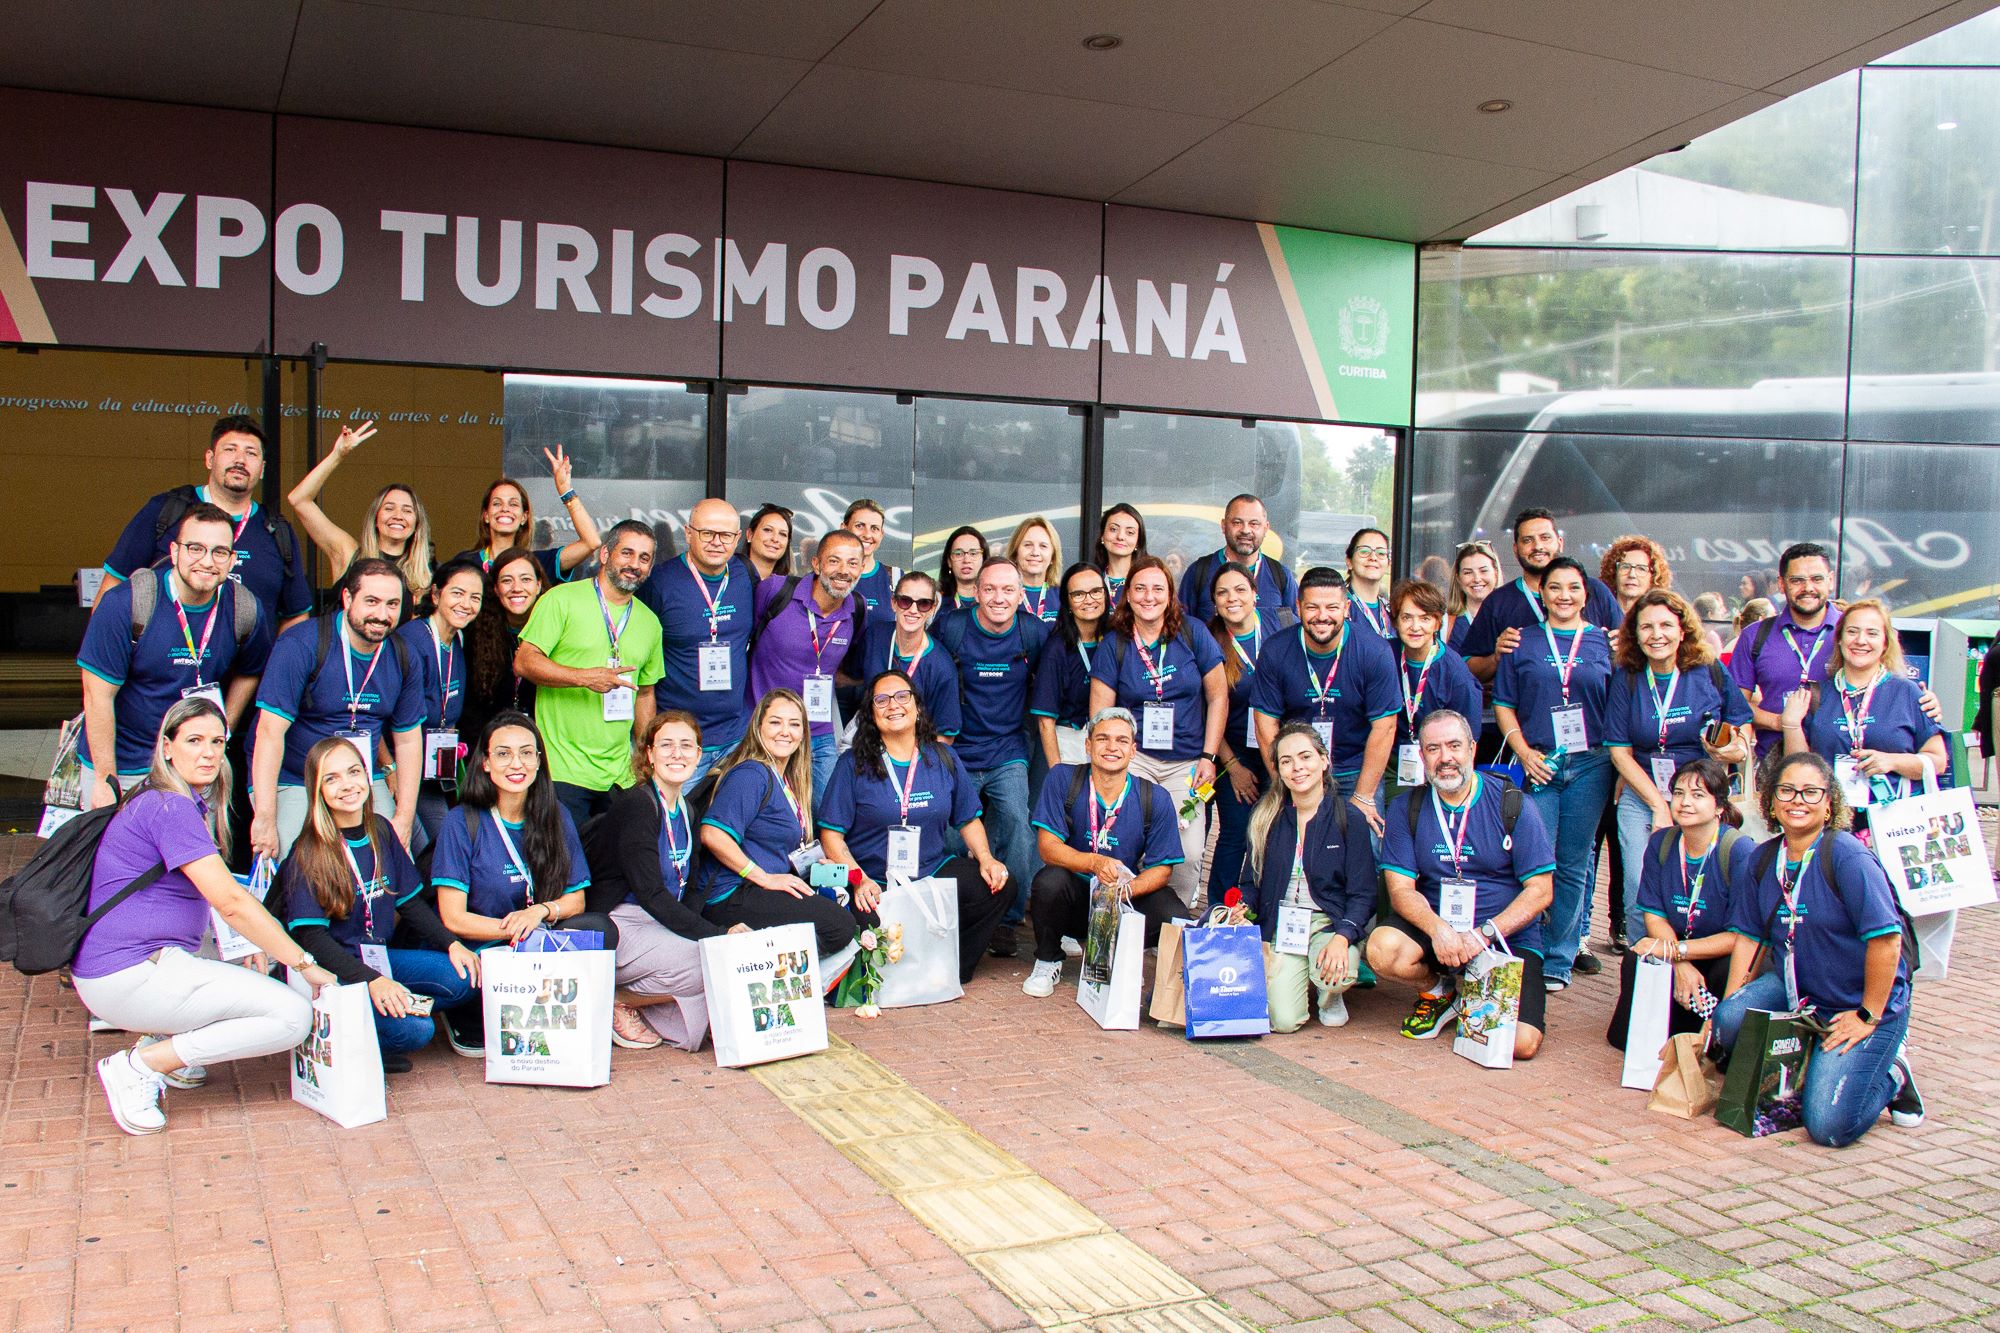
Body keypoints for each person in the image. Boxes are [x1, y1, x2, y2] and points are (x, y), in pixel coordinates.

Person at [71, 697, 330, 1136]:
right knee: (292, 1015)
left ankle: (162, 1047)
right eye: (194, 741)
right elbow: (229, 901)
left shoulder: (170, 800)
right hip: (129, 973)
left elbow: (209, 898)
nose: (209, 752)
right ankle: (139, 1065)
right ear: (167, 747)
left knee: (251, 981)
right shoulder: (169, 807)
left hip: (137, 967)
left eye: (217, 741)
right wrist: (302, 963)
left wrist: (249, 944)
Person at [1715, 751, 1922, 1146]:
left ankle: (1893, 1072)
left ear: (1830, 803)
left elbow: (1887, 940)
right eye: (1787, 791)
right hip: (1799, 988)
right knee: (1730, 1021)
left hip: (1859, 1001)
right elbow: (1750, 938)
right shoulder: (1762, 860)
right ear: (1771, 802)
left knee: (1828, 1126)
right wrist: (1725, 1008)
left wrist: (1867, 1014)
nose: (1798, 800)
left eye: (1811, 792)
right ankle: (1815, 1058)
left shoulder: (1847, 857)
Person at [274, 737, 480, 1071]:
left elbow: (411, 904)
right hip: (335, 973)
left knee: (463, 976)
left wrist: (452, 943)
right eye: (332, 778)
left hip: (378, 958)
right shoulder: (308, 850)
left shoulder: (380, 830)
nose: (347, 785)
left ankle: (371, 1026)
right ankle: (351, 1041)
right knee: (417, 1030)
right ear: (317, 790)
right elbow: (311, 938)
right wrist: (372, 982)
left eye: (353, 772)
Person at [1369, 709, 1555, 1054]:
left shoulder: (1513, 804)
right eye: (1434, 748)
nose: (1445, 758)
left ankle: (1476, 995)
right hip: (1440, 933)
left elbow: (1541, 891)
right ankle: (1442, 992)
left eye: (1454, 746)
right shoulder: (1406, 807)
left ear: (1472, 748)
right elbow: (1400, 890)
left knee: (1521, 1044)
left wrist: (1484, 934)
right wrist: (1438, 929)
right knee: (1382, 948)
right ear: (1422, 755)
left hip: (1500, 936)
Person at [428, 712, 614, 1052]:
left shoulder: (556, 814)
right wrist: (519, 932)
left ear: (540, 762)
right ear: (484, 763)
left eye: (527, 753)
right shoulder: (462, 821)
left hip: (540, 941)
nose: (517, 763)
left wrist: (538, 913)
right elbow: (454, 918)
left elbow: (576, 901)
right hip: (490, 947)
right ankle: (471, 1014)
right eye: (503, 753)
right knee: (460, 978)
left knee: (603, 928)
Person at [819, 670, 1011, 981]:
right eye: (881, 700)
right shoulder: (852, 764)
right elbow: (831, 834)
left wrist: (987, 858)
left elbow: (968, 818)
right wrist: (858, 879)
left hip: (930, 871)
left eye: (902, 696)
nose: (892, 705)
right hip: (874, 880)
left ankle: (952, 969)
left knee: (999, 886)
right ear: (870, 713)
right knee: (865, 940)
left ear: (917, 707)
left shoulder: (943, 757)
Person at [78, 502, 272, 810]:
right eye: (196, 548)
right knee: (121, 857)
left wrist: (223, 730)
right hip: (126, 764)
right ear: (175, 551)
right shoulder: (126, 604)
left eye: (220, 552)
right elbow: (97, 695)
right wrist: (105, 779)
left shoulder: (244, 609)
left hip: (193, 767)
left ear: (232, 559)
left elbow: (251, 671)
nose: (207, 561)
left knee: (194, 856)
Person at [583, 711, 745, 1053]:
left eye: (686, 746)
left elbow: (688, 888)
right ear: (649, 754)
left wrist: (709, 933)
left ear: (699, 754)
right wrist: (716, 937)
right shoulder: (638, 805)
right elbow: (651, 893)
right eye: (666, 745)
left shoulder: (687, 809)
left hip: (656, 920)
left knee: (720, 958)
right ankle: (617, 999)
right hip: (621, 920)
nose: (677, 754)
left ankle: (651, 1006)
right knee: (709, 963)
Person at [1495, 556, 1616, 991]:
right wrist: (1524, 753)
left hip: (1591, 764)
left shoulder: (1606, 643)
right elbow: (1504, 703)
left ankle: (1558, 959)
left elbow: (1617, 708)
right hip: (1539, 761)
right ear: (1541, 594)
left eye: (1574, 587)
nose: (1564, 596)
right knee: (1531, 862)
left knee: (1574, 863)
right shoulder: (1520, 642)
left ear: (1587, 594)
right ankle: (1526, 946)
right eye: (1555, 588)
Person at [1604, 589, 1752, 945]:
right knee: (1641, 885)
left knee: (1697, 883)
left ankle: (1693, 960)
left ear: (1683, 629)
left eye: (1666, 625)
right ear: (1634, 634)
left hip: (1700, 796)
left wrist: (1736, 746)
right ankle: (1645, 973)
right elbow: (1620, 752)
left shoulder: (1708, 671)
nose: (1657, 635)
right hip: (1643, 794)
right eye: (1646, 627)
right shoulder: (1627, 676)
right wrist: (1659, 804)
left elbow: (1741, 723)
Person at [251, 559, 425, 858]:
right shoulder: (301, 644)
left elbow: (408, 739)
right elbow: (268, 733)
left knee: (393, 865)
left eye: (393, 604)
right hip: (297, 779)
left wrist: (404, 818)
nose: (382, 615)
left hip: (362, 780)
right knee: (297, 867)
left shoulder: (404, 655)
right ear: (347, 598)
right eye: (372, 601)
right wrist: (265, 817)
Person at [1088, 555, 1224, 912]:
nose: (1149, 596)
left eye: (1158, 589)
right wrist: (1110, 764)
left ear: (1170, 595)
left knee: (1190, 850)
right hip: (1135, 760)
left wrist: (1209, 757)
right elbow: (1101, 715)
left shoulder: (1193, 633)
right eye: (1140, 588)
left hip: (1188, 763)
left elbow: (1218, 695)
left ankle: (1169, 919)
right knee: (1122, 841)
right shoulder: (1114, 644)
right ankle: (1113, 916)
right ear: (1128, 596)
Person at [1021, 707, 1187, 997]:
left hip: (1122, 898)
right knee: (1049, 881)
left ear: (1133, 750)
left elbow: (1163, 868)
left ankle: (1124, 955)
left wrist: (1127, 890)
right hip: (1077, 896)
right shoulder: (1063, 779)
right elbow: (1048, 848)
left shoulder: (1154, 797)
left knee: (1171, 910)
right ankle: (1048, 959)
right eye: (1103, 739)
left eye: (1122, 741)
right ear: (1088, 745)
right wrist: (1095, 862)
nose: (1112, 747)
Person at [100, 414, 314, 632]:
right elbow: (112, 588)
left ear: (262, 469)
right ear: (210, 459)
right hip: (158, 664)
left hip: (248, 666)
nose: (240, 459)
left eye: (251, 453)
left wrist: (279, 665)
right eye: (230, 450)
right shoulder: (165, 511)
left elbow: (296, 615)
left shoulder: (278, 532)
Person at [695, 690, 859, 973]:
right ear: (758, 727)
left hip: (762, 888)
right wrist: (765, 878)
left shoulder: (786, 779)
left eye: (794, 724)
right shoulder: (751, 773)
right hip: (731, 894)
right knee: (838, 925)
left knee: (858, 914)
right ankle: (761, 969)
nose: (786, 732)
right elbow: (712, 834)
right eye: (775, 723)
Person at [515, 520, 665, 826]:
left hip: (620, 776)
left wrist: (644, 760)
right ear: (606, 554)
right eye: (627, 553)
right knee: (567, 867)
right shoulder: (561, 600)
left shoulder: (650, 623)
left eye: (644, 558)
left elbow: (645, 693)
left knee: (611, 869)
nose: (634, 564)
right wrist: (585, 677)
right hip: (563, 771)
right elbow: (524, 661)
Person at [935, 557, 1048, 955]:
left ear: (1022, 595)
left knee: (1018, 824)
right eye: (990, 589)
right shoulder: (953, 626)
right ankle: (949, 913)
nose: (999, 598)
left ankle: (1008, 918)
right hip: (958, 751)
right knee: (948, 831)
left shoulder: (1032, 632)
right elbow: (929, 671)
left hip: (1008, 751)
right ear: (976, 592)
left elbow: (1047, 682)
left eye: (1008, 590)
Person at [1603, 758, 1753, 1052]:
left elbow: (1739, 937)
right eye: (1679, 793)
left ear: (1719, 807)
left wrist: (1679, 952)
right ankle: (1662, 1031)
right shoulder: (1662, 843)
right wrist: (1679, 961)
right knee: (1638, 962)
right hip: (1677, 949)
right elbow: (1655, 917)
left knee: (1723, 970)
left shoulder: (1738, 850)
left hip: (1718, 955)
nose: (1685, 802)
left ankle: (1713, 1032)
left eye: (1698, 795)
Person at [1237, 723, 1378, 1031]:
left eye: (1305, 757)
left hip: (1328, 923)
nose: (1297, 767)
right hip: (1281, 924)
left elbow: (1364, 894)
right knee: (1284, 1022)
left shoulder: (1347, 817)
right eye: (1286, 761)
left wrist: (1344, 936)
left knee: (1338, 970)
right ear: (1278, 770)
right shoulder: (1266, 816)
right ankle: (1304, 978)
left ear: (1324, 760)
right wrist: (1242, 908)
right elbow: (1250, 882)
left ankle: (1330, 995)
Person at [1249, 568, 1399, 834]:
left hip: (1355, 768)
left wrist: (1363, 796)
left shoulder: (1375, 651)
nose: (1322, 616)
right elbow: (1265, 724)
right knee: (1289, 846)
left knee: (1365, 848)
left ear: (1346, 608)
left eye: (1332, 607)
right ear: (1298, 607)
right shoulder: (1275, 650)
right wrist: (1283, 784)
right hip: (1298, 770)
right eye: (1312, 607)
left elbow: (1384, 726)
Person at [1781, 598, 1946, 818]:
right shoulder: (1819, 695)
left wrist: (1891, 761)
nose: (1861, 640)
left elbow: (1938, 762)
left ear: (1886, 642)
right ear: (1839, 639)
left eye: (1872, 633)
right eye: (1852, 631)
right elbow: (1798, 769)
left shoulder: (1908, 693)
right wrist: (1791, 724)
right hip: (1832, 822)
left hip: (1896, 823)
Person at [638, 498, 756, 786]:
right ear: (688, 532)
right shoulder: (660, 583)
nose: (717, 542)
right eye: (707, 533)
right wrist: (646, 745)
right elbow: (642, 668)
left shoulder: (744, 576)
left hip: (736, 740)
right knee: (673, 825)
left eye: (726, 535)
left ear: (737, 538)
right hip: (680, 742)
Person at [748, 528, 865, 795]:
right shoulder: (776, 592)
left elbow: (845, 666)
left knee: (827, 811)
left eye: (852, 563)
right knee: (765, 807)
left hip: (818, 729)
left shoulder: (856, 609)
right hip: (765, 724)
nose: (843, 570)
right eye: (834, 560)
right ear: (816, 563)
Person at [1459, 508, 1622, 684]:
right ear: (1516, 549)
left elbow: (1630, 649)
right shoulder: (1498, 602)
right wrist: (1496, 658)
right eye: (1528, 540)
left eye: (1545, 538)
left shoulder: (1595, 590)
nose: (1537, 546)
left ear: (1559, 542)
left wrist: (1621, 648)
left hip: (1592, 705)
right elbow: (1466, 669)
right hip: (1528, 709)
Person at [285, 420, 435, 608]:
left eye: (407, 510)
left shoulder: (424, 578)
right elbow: (299, 500)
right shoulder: (348, 553)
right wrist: (338, 455)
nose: (398, 515)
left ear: (417, 524)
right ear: (375, 519)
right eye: (389, 508)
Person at [1727, 541, 1843, 763]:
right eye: (1797, 580)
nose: (1808, 587)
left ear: (1830, 581)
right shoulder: (1755, 636)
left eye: (1817, 579)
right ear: (1781, 584)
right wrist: (1777, 721)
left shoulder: (1852, 634)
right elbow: (1735, 706)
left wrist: (1926, 704)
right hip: (1774, 765)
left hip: (1840, 763)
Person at [397, 557, 483, 849]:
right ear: (436, 595)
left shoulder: (456, 640)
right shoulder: (411, 641)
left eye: (475, 597)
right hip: (400, 772)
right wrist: (389, 771)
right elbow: (386, 717)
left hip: (432, 774)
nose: (466, 604)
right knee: (424, 850)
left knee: (446, 843)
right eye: (457, 593)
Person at [1204, 561, 1273, 911]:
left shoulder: (1280, 629)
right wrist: (1231, 766)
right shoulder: (1210, 640)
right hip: (1233, 754)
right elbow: (1208, 708)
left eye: (1240, 589)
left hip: (1276, 751)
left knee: (1273, 833)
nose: (1232, 598)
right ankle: (1218, 909)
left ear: (1255, 594)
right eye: (1222, 592)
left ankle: (1259, 910)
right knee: (1237, 831)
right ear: (1214, 602)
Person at [1382, 579, 1483, 805]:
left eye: (1425, 618)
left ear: (1437, 623)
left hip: (1438, 764)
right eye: (1407, 618)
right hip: (1390, 762)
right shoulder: (1383, 656)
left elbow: (1468, 735)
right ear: (1395, 621)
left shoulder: (1456, 674)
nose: (1415, 627)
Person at [452, 451, 602, 585]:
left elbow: (591, 542)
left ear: (524, 517)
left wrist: (565, 490)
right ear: (485, 515)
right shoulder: (466, 562)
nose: (505, 509)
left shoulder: (537, 563)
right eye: (497, 503)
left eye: (513, 504)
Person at [852, 570, 961, 740]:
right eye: (905, 601)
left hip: (913, 754)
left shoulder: (942, 667)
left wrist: (917, 765)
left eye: (923, 604)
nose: (913, 610)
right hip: (868, 744)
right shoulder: (875, 636)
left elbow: (945, 736)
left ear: (932, 609)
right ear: (894, 603)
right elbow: (854, 677)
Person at [460, 547, 544, 750]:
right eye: (507, 581)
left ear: (539, 585)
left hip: (542, 749)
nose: (517, 588)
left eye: (525, 579)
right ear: (496, 589)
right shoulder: (476, 633)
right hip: (488, 746)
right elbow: (470, 708)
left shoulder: (555, 632)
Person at [1032, 563, 1110, 770]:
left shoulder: (1115, 639)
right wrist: (1057, 771)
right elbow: (1045, 721)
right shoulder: (1057, 649)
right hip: (1070, 741)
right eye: (1078, 594)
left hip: (1111, 740)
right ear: (1067, 602)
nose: (1089, 600)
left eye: (1095, 591)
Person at [1179, 494, 1299, 622]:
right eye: (1237, 523)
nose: (1246, 530)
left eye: (1254, 524)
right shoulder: (1199, 572)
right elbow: (1182, 631)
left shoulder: (1281, 576)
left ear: (1266, 529)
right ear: (1224, 526)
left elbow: (1293, 632)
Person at [843, 498, 902, 612]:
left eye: (874, 528)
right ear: (844, 528)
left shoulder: (895, 578)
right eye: (860, 526)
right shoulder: (829, 575)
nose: (867, 534)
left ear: (881, 534)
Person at [1599, 535, 1673, 624]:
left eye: (1641, 568)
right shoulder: (1596, 616)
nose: (1632, 575)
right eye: (1625, 567)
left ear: (1653, 576)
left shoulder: (1662, 620)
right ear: (1614, 572)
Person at [1005, 516, 1064, 625]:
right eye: (1028, 545)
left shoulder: (1063, 596)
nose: (1035, 552)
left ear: (1053, 556)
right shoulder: (1002, 595)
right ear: (1015, 553)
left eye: (1043, 546)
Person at [1446, 540, 1501, 656]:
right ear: (1458, 578)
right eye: (1468, 572)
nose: (1476, 579)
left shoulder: (1509, 618)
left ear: (1495, 573)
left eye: (1483, 571)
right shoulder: (1444, 623)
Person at [1342, 528, 1394, 641]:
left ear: (1388, 564)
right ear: (1349, 561)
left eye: (1381, 553)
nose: (1373, 558)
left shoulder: (1393, 611)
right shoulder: (1337, 607)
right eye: (1364, 551)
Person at [1092, 504, 1147, 609]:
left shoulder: (1148, 580)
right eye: (1113, 529)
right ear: (1102, 535)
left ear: (1138, 542)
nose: (1120, 536)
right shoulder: (1089, 579)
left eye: (1130, 532)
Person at [937, 525, 988, 611]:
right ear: (949, 561)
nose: (966, 560)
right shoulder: (936, 600)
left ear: (984, 559)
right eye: (958, 554)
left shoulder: (995, 599)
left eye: (973, 553)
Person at [740, 504, 795, 582]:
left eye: (783, 534)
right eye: (768, 530)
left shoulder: (790, 589)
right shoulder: (728, 576)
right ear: (750, 535)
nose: (775, 539)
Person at [1722, 597, 1775, 665]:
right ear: (1761, 619)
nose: (1776, 619)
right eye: (1773, 615)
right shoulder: (1750, 646)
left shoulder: (1737, 643)